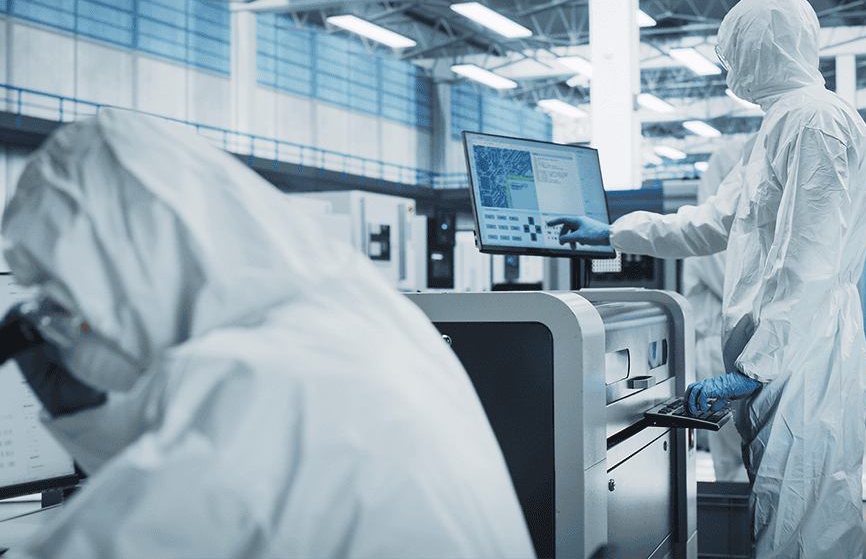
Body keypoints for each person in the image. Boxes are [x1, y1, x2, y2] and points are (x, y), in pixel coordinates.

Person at [0, 108, 536, 559]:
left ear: (124, 265)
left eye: (66, 301)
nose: (62, 330)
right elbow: (197, 500)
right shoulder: (349, 319)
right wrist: (86, 417)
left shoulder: (261, 381)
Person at [550, 0, 866, 559]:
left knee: (801, 527)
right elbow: (709, 223)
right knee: (780, 514)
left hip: (804, 357)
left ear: (762, 49)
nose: (729, 72)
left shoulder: (815, 122)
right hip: (782, 356)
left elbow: (810, 264)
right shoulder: (776, 128)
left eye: (734, 54)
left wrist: (755, 368)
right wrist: (612, 231)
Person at [682, 135, 753, 483]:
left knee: (749, 456)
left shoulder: (745, 234)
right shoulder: (716, 237)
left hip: (745, 348)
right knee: (736, 459)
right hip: (720, 347)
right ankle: (738, 518)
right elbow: (737, 287)